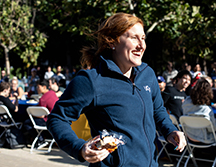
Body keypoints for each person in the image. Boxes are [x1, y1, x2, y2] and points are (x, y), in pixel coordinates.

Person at [46, 13, 186, 167]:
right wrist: (79, 148)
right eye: (134, 38)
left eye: (143, 38)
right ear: (112, 42)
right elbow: (57, 119)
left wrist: (170, 131)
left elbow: (157, 110)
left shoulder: (148, 74)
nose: (142, 45)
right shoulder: (91, 80)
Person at [23, 79, 58, 146]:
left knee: (27, 123)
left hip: (48, 121)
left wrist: (30, 114)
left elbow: (41, 115)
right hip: (56, 119)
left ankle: (40, 140)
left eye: (38, 87)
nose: (37, 89)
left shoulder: (43, 98)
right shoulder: (52, 93)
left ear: (44, 87)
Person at [182, 78, 216, 143]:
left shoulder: (186, 103)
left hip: (190, 137)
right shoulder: (207, 110)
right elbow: (212, 129)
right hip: (204, 139)